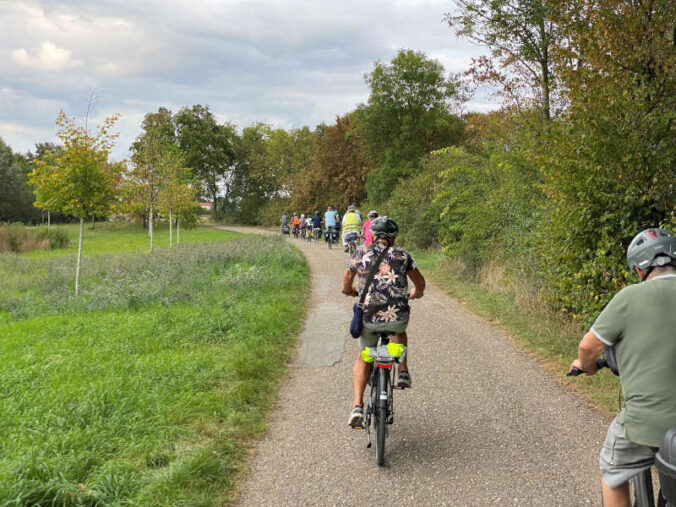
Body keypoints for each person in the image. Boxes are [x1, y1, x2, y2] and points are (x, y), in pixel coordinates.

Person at [568, 228, 676, 507]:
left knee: (613, 472)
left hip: (646, 426)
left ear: (640, 270)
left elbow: (588, 348)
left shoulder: (629, 297)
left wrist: (586, 366)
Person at [342, 216, 426, 428]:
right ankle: (403, 371)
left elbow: (346, 279)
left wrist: (349, 291)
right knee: (399, 330)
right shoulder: (402, 255)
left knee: (364, 356)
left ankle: (357, 406)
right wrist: (416, 293)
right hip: (396, 316)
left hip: (368, 319)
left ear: (372, 235)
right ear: (394, 237)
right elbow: (420, 282)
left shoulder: (360, 253)